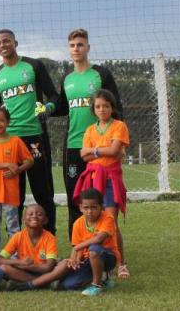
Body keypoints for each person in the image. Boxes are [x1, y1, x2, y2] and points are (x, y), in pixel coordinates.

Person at [0, 29, 59, 233]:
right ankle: (15, 245)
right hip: (10, 142)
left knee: (43, 192)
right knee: (13, 195)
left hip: (35, 137)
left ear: (15, 43)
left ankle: (48, 239)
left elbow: (53, 96)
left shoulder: (34, 66)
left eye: (6, 41)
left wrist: (47, 109)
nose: (2, 45)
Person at [53, 29, 123, 238]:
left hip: (100, 148)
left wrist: (120, 144)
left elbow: (117, 108)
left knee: (100, 197)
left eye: (80, 45)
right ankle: (78, 245)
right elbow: (62, 107)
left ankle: (102, 245)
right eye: (73, 45)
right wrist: (43, 108)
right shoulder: (66, 78)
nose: (76, 49)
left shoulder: (101, 74)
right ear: (69, 49)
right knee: (75, 197)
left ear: (88, 48)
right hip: (74, 146)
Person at [20, 188, 119, 296]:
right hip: (88, 260)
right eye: (86, 208)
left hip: (108, 257)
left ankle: (96, 285)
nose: (89, 211)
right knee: (69, 285)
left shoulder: (107, 218)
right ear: (80, 207)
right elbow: (77, 247)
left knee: (94, 249)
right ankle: (103, 277)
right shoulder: (77, 223)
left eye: (94, 207)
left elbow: (99, 239)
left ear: (101, 207)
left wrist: (76, 248)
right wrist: (75, 259)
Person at [76, 89, 130, 278]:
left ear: (112, 108)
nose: (102, 110)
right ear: (94, 109)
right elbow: (83, 155)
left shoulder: (119, 126)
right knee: (93, 220)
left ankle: (121, 263)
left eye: (106, 106)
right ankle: (97, 260)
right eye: (98, 106)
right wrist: (102, 151)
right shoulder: (90, 130)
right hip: (93, 180)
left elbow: (115, 150)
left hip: (110, 181)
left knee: (111, 222)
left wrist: (94, 151)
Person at [0, 107, 34, 260]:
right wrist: (6, 164)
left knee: (13, 227)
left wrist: (17, 170)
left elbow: (29, 160)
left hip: (10, 193)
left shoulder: (15, 141)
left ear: (8, 122)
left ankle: (14, 257)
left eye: (1, 120)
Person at [0, 204, 58, 287]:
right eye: (30, 214)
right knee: (3, 268)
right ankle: (44, 283)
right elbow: (0, 259)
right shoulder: (18, 237)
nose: (34, 216)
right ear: (23, 219)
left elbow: (48, 267)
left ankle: (29, 282)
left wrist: (27, 267)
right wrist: (20, 262)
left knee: (62, 264)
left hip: (42, 271)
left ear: (45, 220)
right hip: (24, 272)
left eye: (39, 214)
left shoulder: (50, 238)